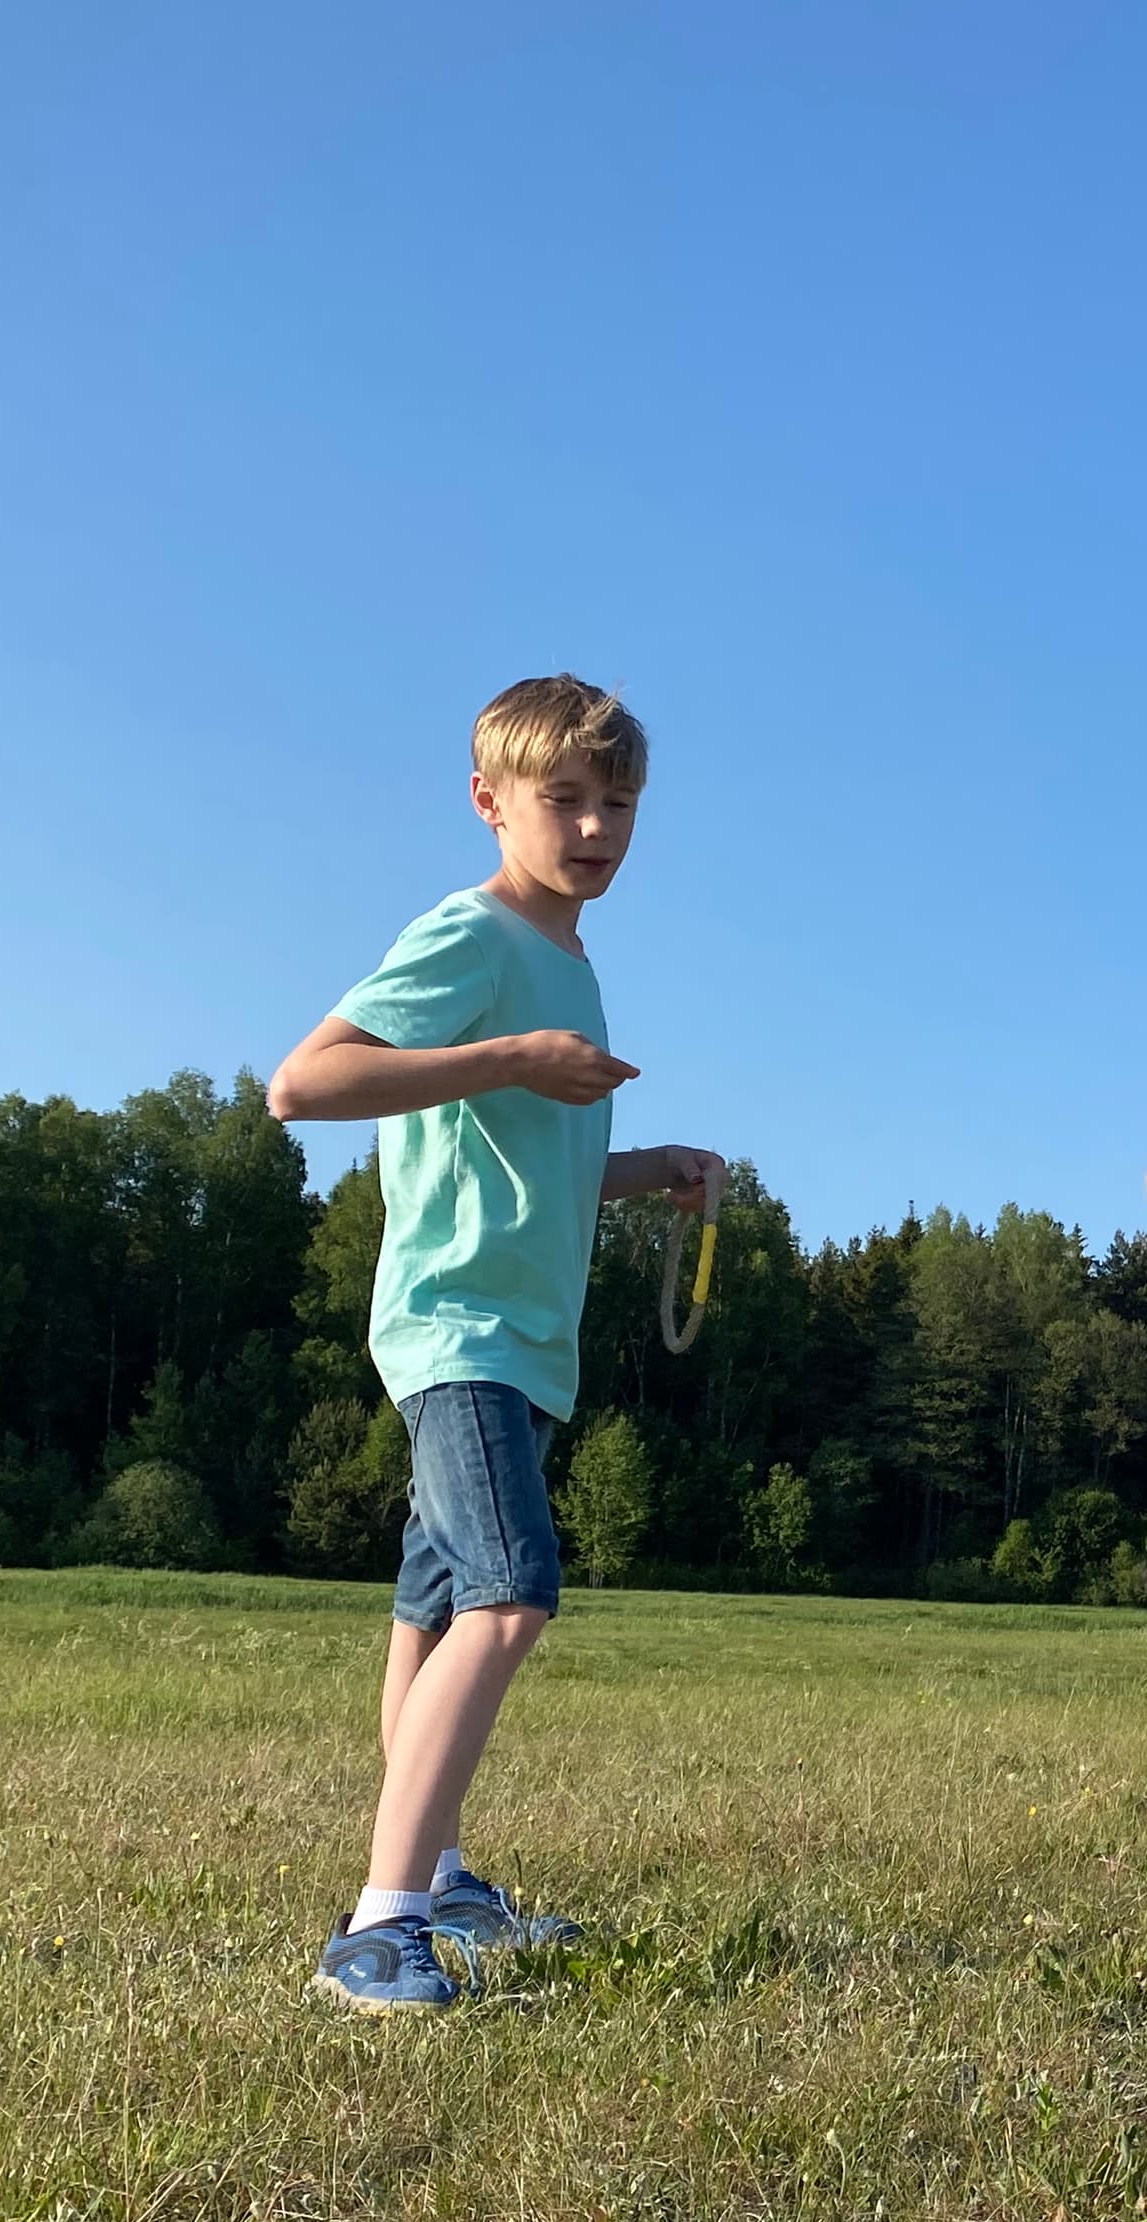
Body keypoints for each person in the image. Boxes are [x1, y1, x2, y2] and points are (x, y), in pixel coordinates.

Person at [265, 675, 725, 2014]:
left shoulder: (570, 961)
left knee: (432, 1610)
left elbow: (534, 1161)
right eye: (563, 800)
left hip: (524, 1340)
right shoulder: (475, 938)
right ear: (490, 802)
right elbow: (306, 1083)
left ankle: (443, 1879)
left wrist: (652, 1169)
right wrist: (516, 1054)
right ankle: (378, 1924)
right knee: (511, 1594)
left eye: (617, 803)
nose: (593, 828)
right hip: (459, 1329)